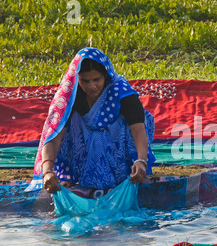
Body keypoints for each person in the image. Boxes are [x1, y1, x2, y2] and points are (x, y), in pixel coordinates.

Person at [26, 47, 156, 193]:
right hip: (82, 143)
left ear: (106, 76)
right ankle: (76, 174)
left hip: (117, 143)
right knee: (62, 120)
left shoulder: (121, 92)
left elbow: (138, 130)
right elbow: (54, 136)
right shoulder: (69, 96)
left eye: (96, 80)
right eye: (85, 81)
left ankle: (125, 172)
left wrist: (141, 160)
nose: (91, 86)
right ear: (77, 78)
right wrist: (47, 171)